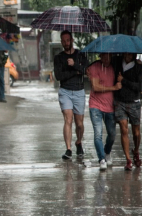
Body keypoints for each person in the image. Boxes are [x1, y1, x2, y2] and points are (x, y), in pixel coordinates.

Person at [54, 30, 89, 159]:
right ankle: (68, 149)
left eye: (68, 40)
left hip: (79, 91)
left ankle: (78, 142)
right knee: (68, 119)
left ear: (72, 40)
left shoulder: (81, 55)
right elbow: (59, 76)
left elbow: (86, 70)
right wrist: (75, 72)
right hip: (65, 91)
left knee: (79, 123)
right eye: (63, 41)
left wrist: (75, 65)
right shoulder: (58, 57)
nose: (66, 43)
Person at [87, 53, 122, 170]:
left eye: (109, 56)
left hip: (110, 107)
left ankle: (107, 152)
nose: (107, 59)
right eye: (104, 56)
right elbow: (95, 87)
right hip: (95, 105)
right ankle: (101, 159)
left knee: (112, 134)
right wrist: (113, 88)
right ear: (100, 56)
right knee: (98, 134)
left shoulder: (114, 67)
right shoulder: (94, 67)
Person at [112, 53, 142, 171]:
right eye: (125, 53)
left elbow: (141, 87)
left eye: (130, 54)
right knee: (123, 128)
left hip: (134, 102)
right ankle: (128, 160)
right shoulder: (117, 63)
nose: (127, 55)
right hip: (120, 102)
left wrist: (124, 81)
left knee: (136, 132)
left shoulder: (139, 68)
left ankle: (135, 150)